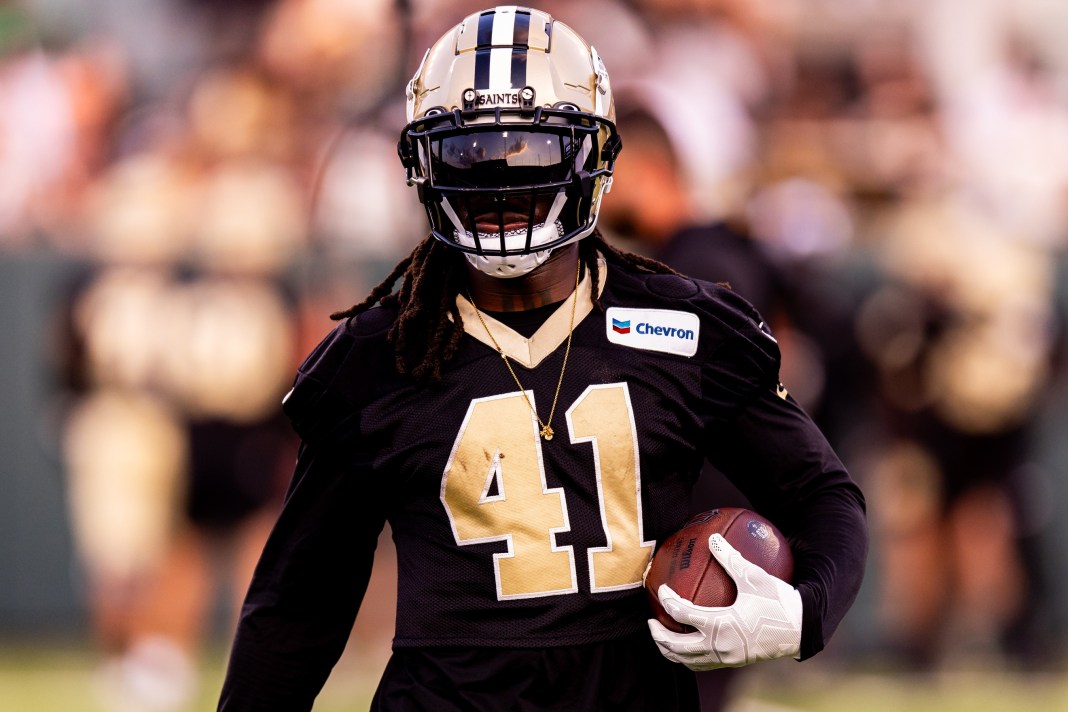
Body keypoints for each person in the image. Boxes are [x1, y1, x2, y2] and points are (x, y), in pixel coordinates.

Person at [218, 7, 868, 711]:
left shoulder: (684, 328)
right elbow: (299, 605)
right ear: (422, 164)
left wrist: (806, 611)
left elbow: (823, 495)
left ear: (593, 156)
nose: (498, 182)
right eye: (468, 154)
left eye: (531, 152)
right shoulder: (381, 357)